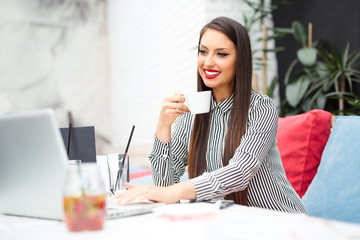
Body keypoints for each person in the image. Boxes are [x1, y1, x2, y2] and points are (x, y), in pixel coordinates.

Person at [114, 16, 307, 213]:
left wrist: (179, 190)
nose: (208, 62)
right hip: (229, 223)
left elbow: (240, 172)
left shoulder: (261, 108)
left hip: (279, 221)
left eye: (221, 54)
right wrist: (163, 126)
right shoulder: (192, 113)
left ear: (240, 59)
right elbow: (165, 187)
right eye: (203, 52)